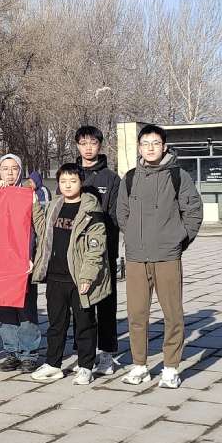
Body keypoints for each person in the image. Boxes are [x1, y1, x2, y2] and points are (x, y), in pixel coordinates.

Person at [116, 125, 203, 389]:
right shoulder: (131, 177)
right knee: (136, 314)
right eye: (145, 143)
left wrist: (179, 239)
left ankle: (170, 368)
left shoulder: (178, 176)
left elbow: (193, 211)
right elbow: (122, 212)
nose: (150, 148)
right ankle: (139, 366)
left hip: (167, 256)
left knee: (172, 314)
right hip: (136, 257)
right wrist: (133, 236)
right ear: (139, 147)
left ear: (164, 147)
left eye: (155, 143)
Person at [29, 164, 110, 384]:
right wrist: (35, 206)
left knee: (84, 324)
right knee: (56, 324)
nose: (67, 185)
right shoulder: (55, 205)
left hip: (79, 278)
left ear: (81, 182)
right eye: (63, 181)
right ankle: (53, 364)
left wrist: (87, 276)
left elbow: (96, 246)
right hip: (55, 277)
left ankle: (85, 366)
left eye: (73, 181)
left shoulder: (91, 209)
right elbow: (43, 231)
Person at [74, 125, 122, 375]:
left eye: (93, 143)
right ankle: (84, 354)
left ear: (100, 145)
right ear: (77, 146)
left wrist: (108, 248)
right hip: (76, 254)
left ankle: (107, 354)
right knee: (81, 307)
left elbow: (115, 217)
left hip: (103, 252)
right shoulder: (71, 174)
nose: (88, 148)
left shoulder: (111, 179)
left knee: (105, 304)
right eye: (83, 143)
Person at [0, 154, 42, 374]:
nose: (10, 173)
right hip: (0, 263)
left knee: (26, 310)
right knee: (5, 309)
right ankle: (11, 352)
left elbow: (37, 228)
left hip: (24, 260)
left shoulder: (29, 195)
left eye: (14, 168)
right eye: (5, 169)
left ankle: (29, 354)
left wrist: (32, 257)